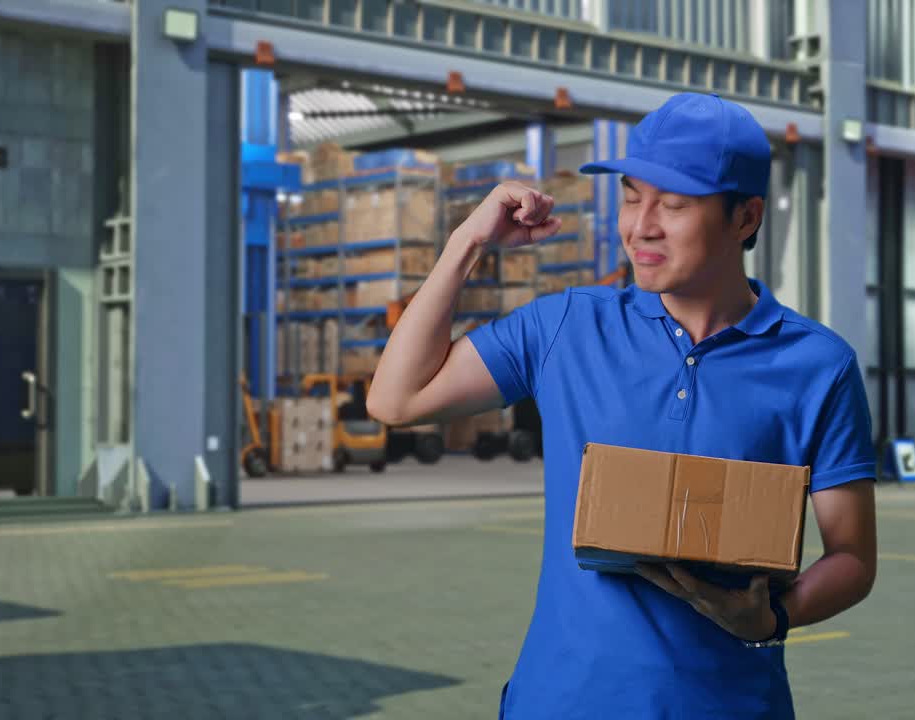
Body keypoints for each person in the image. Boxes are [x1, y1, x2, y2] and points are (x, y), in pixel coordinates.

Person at [368, 93, 878, 720]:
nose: (642, 226)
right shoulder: (565, 327)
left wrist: (775, 615)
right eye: (633, 196)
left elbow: (853, 557)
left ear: (745, 218)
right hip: (560, 703)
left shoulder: (817, 365)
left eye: (676, 203)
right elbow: (397, 398)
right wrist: (468, 242)